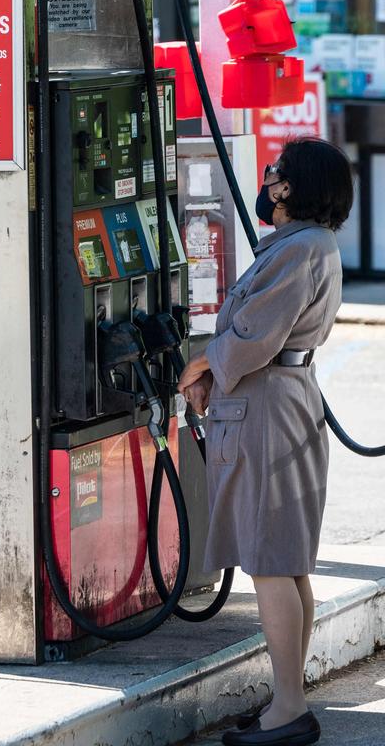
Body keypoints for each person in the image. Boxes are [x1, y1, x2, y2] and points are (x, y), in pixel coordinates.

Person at [178, 138, 351, 746]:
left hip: (268, 406)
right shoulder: (310, 246)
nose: (268, 177)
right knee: (287, 559)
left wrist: (200, 363)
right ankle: (287, 698)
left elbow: (254, 338)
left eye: (276, 172)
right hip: (282, 399)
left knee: (272, 562)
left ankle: (288, 709)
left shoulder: (297, 248)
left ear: (289, 188)